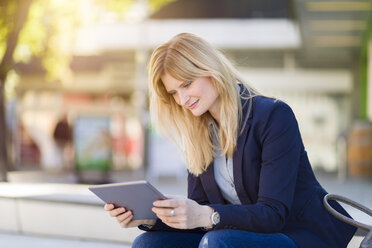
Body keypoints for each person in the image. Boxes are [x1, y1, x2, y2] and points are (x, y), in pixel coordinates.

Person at [104, 33, 356, 248]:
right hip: (234, 237)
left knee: (217, 242)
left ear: (209, 71)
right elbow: (201, 217)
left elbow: (272, 214)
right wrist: (148, 219)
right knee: (147, 243)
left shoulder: (273, 116)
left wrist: (206, 215)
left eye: (187, 84)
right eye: (173, 93)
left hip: (296, 235)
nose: (181, 100)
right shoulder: (200, 132)